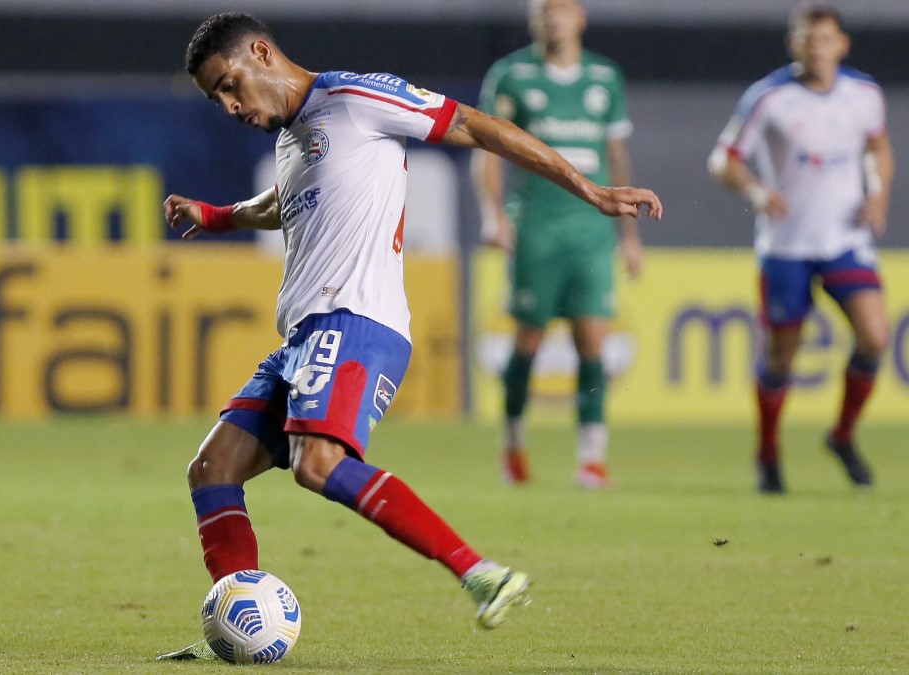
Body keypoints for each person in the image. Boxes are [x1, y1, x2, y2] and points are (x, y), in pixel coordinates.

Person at [158, 12, 661, 660]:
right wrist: (218, 215)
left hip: (358, 321)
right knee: (211, 468)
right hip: (305, 333)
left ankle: (480, 571)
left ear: (260, 52)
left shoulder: (354, 99)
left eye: (230, 85)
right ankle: (237, 617)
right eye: (215, 99)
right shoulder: (293, 137)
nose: (228, 106)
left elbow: (477, 125)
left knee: (319, 464)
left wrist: (589, 190)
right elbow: (280, 203)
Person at [708, 3, 893, 494]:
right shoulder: (769, 98)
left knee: (875, 336)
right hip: (787, 245)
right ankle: (768, 452)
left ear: (841, 44)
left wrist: (879, 194)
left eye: (826, 39)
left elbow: (878, 148)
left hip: (845, 240)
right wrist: (756, 192)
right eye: (809, 40)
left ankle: (842, 435)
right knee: (781, 357)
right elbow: (723, 160)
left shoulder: (864, 95)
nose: (817, 48)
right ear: (795, 45)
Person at [473, 0, 642, 489]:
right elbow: (486, 149)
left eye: (562, 10)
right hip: (537, 229)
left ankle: (592, 458)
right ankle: (513, 444)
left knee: (593, 340)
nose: (553, 19)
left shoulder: (604, 78)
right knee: (528, 340)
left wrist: (629, 235)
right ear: (534, 21)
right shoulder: (511, 75)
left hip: (591, 231)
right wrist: (494, 215)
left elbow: (616, 155)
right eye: (544, 11)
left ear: (580, 18)